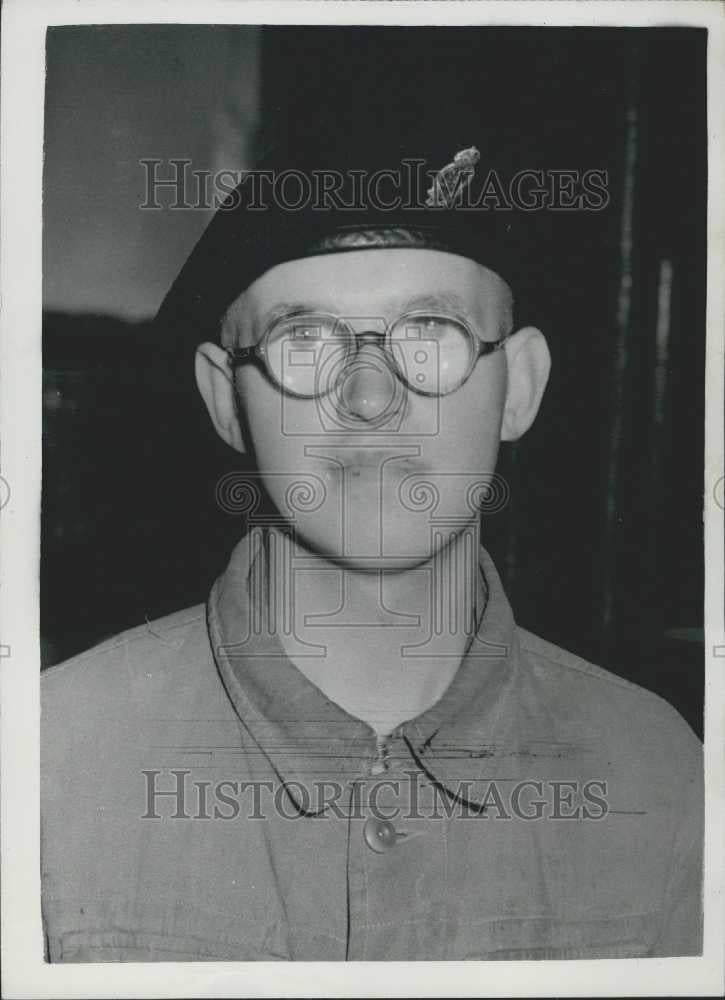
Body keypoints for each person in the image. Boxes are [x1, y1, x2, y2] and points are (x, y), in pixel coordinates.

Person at [41, 122, 703, 962]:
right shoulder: (48, 761)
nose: (367, 398)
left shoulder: (661, 776)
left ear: (519, 387)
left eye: (428, 333)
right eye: (304, 340)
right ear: (225, 400)